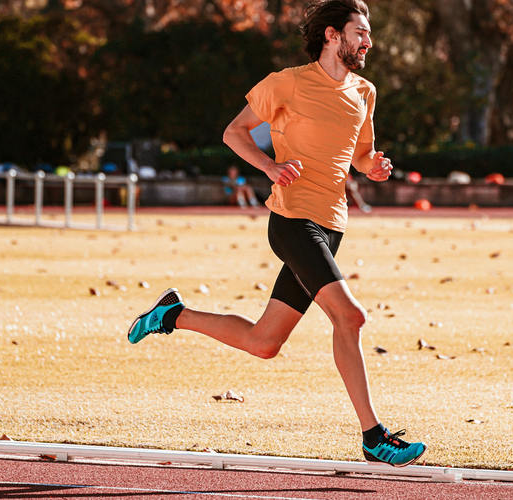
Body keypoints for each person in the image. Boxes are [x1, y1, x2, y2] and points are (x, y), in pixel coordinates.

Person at [126, 0, 426, 467]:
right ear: (331, 35)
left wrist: (376, 167)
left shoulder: (364, 92)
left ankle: (172, 315)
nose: (368, 41)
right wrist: (270, 165)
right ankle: (374, 436)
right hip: (292, 221)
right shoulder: (287, 82)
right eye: (359, 32)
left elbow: (360, 157)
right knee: (352, 317)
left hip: (333, 225)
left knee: (265, 343)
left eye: (368, 34)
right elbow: (234, 132)